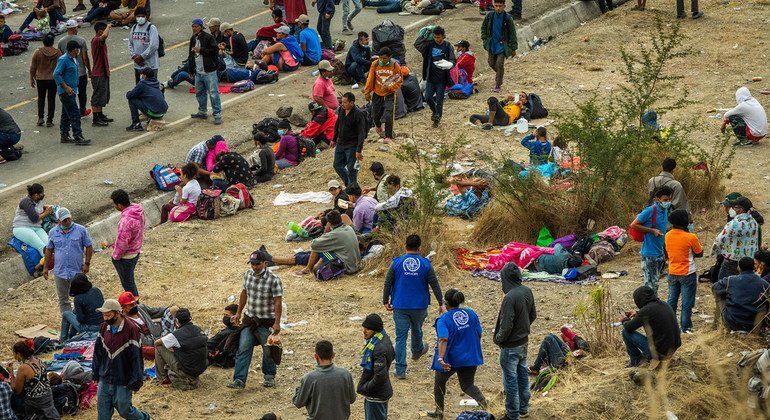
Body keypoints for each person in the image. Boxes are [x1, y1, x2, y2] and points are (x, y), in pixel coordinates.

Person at [382, 234, 444, 378]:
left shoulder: (396, 262)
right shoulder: (425, 263)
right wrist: (440, 302)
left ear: (405, 245)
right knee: (417, 330)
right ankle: (417, 351)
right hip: (419, 305)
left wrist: (386, 300)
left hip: (400, 304)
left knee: (400, 337)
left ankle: (400, 370)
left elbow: (388, 282)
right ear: (419, 247)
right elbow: (434, 284)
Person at [228, 250, 283, 389]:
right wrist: (239, 312)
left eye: (257, 264)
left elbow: (277, 302)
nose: (254, 267)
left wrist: (277, 323)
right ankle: (239, 380)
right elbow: (244, 293)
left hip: (266, 322)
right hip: (249, 320)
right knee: (243, 348)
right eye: (252, 264)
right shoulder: (248, 275)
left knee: (269, 350)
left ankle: (269, 377)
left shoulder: (274, 279)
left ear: (265, 263)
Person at [427, 288, 486, 418]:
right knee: (467, 385)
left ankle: (439, 412)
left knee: (439, 382)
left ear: (446, 303)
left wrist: (441, 359)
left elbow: (443, 338)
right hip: (470, 357)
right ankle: (485, 405)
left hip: (452, 359)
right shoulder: (471, 313)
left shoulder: (443, 320)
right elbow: (479, 333)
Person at [93, 299, 150, 420]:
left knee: (125, 410)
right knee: (102, 413)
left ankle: (143, 418)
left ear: (118, 313)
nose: (105, 318)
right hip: (105, 376)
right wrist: (95, 373)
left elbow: (136, 357)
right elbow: (98, 352)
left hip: (123, 378)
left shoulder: (131, 329)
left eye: (108, 315)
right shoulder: (104, 327)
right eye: (104, 315)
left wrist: (136, 381)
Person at [494, 262, 535, 420]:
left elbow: (506, 325)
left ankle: (512, 414)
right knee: (522, 375)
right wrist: (522, 329)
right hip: (523, 342)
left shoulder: (510, 297)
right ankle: (524, 409)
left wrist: (499, 339)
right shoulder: (527, 291)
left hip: (510, 346)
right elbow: (533, 315)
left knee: (510, 381)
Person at [43, 208, 94, 315]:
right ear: (58, 221)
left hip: (76, 271)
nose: (67, 222)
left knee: (80, 297)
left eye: (68, 219)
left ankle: (80, 318)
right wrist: (45, 267)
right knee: (63, 300)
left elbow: (89, 246)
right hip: (60, 272)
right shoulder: (53, 232)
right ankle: (68, 321)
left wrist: (87, 263)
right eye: (64, 220)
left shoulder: (81, 230)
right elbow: (49, 249)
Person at [292, 340, 356, 419]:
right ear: (333, 355)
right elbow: (352, 399)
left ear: (316, 356)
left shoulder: (309, 378)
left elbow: (298, 402)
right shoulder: (345, 374)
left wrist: (300, 389)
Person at [621, 286, 681, 368]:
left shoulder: (647, 311)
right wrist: (638, 313)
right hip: (672, 349)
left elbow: (629, 327)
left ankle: (636, 360)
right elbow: (652, 314)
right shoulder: (664, 304)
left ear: (639, 299)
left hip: (658, 353)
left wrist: (624, 320)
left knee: (625, 332)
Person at [665, 209, 703, 333]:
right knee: (687, 303)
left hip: (672, 271)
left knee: (671, 300)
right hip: (687, 272)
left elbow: (666, 253)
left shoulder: (668, 235)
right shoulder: (691, 237)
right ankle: (686, 327)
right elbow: (699, 253)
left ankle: (670, 325)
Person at [629, 186, 672, 294]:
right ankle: (650, 306)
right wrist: (651, 230)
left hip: (660, 252)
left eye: (669, 199)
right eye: (665, 200)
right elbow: (634, 225)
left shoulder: (665, 210)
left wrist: (666, 253)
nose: (668, 202)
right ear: (657, 200)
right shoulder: (650, 211)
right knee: (651, 285)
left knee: (655, 282)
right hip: (650, 254)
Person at [154, 308, 208, 390]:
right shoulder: (199, 330)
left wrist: (169, 346)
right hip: (201, 368)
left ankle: (162, 379)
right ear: (190, 318)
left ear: (177, 320)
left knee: (159, 348)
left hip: (186, 370)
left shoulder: (176, 335)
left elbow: (157, 343)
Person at [295, 210, 361, 276]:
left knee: (319, 248)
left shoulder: (335, 234)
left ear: (329, 223)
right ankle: (311, 266)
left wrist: (326, 230)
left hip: (346, 266)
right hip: (356, 265)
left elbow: (314, 244)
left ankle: (308, 268)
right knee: (324, 246)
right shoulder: (349, 228)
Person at [712, 257, 770, 332]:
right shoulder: (765, 283)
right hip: (755, 325)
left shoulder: (731, 280)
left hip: (733, 322)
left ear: (738, 268)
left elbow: (715, 288)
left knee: (719, 295)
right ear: (754, 267)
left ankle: (716, 326)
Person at [6, 340, 60, 419]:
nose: (13, 356)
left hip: (36, 407)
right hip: (48, 404)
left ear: (18, 354)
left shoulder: (23, 368)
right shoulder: (40, 361)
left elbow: (17, 390)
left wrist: (10, 373)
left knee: (12, 395)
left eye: (14, 353)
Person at [54, 40, 93, 145]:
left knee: (66, 114)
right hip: (66, 92)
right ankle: (78, 136)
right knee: (75, 114)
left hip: (72, 91)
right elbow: (56, 74)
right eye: (77, 49)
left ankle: (64, 135)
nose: (78, 51)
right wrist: (66, 87)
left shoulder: (73, 59)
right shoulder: (64, 59)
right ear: (74, 49)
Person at [357, 313, 395, 420]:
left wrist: (365, 388)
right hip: (380, 393)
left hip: (376, 395)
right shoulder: (383, 338)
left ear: (375, 330)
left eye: (368, 329)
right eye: (364, 328)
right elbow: (393, 354)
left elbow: (380, 376)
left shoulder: (378, 348)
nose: (364, 331)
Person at [713, 196, 759, 282]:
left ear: (740, 209)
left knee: (723, 285)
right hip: (748, 262)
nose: (733, 209)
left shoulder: (733, 223)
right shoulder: (754, 222)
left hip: (732, 261)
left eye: (734, 207)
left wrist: (716, 252)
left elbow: (720, 239)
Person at [364, 47, 402, 144]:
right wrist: (367, 92)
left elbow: (399, 80)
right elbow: (370, 79)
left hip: (389, 94)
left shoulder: (395, 66)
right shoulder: (375, 64)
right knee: (376, 114)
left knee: (389, 115)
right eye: (381, 58)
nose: (382, 60)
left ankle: (388, 135)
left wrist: (389, 87)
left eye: (384, 58)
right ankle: (378, 126)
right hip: (377, 93)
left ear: (390, 57)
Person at [189, 18, 222, 125]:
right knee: (199, 93)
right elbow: (191, 55)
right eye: (193, 27)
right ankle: (202, 111)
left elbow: (215, 51)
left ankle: (217, 114)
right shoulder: (193, 39)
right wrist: (190, 69)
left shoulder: (208, 38)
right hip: (198, 71)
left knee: (213, 93)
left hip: (209, 71)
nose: (194, 29)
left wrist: (201, 50)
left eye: (196, 26)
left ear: (201, 27)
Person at [111, 189, 144, 296]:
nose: (115, 207)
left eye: (115, 204)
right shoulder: (138, 211)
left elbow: (122, 244)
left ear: (120, 205)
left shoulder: (125, 221)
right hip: (136, 250)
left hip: (126, 256)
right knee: (130, 282)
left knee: (128, 285)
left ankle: (135, 307)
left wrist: (115, 256)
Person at [420, 26, 455, 128]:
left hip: (442, 78)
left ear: (443, 36)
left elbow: (453, 60)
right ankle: (435, 111)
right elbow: (417, 45)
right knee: (428, 97)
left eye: (438, 37)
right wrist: (426, 34)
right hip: (431, 77)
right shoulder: (430, 45)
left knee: (439, 101)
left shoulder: (448, 46)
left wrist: (449, 64)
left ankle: (437, 119)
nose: (437, 39)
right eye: (435, 37)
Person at [481, 0, 517, 92]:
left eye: (500, 6)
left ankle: (498, 84)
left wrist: (513, 48)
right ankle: (500, 74)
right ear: (494, 6)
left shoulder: (508, 18)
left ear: (504, 6)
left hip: (502, 45)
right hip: (492, 44)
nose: (498, 8)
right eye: (496, 6)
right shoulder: (490, 16)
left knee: (500, 64)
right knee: (491, 63)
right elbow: (484, 27)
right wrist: (484, 39)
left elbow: (512, 34)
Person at [12, 183, 52, 266]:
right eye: (41, 193)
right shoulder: (26, 201)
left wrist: (44, 207)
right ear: (36, 195)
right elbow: (34, 218)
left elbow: (37, 208)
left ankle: (51, 262)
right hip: (22, 227)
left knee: (50, 244)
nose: (43, 195)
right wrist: (46, 212)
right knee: (41, 246)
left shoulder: (39, 201)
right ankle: (47, 266)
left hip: (36, 227)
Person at [332, 92, 366, 187]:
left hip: (352, 146)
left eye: (345, 102)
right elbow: (337, 124)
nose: (342, 104)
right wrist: (334, 139)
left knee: (352, 170)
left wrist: (359, 150)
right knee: (337, 165)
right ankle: (350, 186)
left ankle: (353, 191)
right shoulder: (341, 110)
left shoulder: (358, 114)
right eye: (342, 102)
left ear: (352, 103)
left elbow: (361, 133)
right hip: (341, 143)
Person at [30, 33, 62, 128]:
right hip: (53, 79)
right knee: (51, 99)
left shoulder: (38, 52)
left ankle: (40, 118)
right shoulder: (58, 53)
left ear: (43, 41)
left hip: (41, 79)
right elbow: (61, 67)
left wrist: (31, 77)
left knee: (41, 98)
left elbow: (33, 66)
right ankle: (49, 120)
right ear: (53, 41)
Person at [60, 273, 104, 341]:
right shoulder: (96, 290)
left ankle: (62, 340)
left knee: (66, 314)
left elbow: (81, 320)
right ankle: (71, 336)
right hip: (102, 326)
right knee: (75, 311)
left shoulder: (78, 298)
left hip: (89, 329)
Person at [648, 157, 691, 223]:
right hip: (669, 219)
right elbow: (680, 205)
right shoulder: (676, 184)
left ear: (662, 167)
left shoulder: (652, 180)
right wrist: (688, 219)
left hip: (652, 215)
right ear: (673, 169)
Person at [125, 67, 168, 131]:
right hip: (163, 112)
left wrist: (128, 93)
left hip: (155, 113)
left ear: (145, 76)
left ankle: (136, 124)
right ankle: (149, 116)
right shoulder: (157, 82)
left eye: (142, 74)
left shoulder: (142, 84)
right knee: (146, 96)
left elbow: (130, 95)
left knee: (132, 100)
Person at [127, 8, 159, 84]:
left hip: (150, 66)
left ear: (146, 17)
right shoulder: (134, 27)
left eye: (142, 16)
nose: (140, 18)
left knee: (151, 89)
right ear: (135, 17)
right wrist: (134, 56)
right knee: (139, 89)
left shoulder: (151, 28)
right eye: (138, 16)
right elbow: (130, 43)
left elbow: (153, 46)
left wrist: (141, 57)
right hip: (138, 65)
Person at [90, 22, 113, 127]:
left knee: (102, 95)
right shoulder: (96, 40)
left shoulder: (100, 41)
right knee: (97, 96)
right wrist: (108, 26)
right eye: (103, 29)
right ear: (99, 31)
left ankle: (100, 114)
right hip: (98, 73)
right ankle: (95, 118)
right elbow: (104, 36)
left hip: (103, 72)